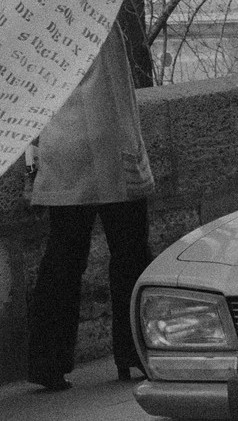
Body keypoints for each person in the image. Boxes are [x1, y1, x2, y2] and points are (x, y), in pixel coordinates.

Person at [24, 23, 157, 391]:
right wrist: (136, 154)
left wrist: (32, 159)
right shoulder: (104, 15)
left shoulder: (43, 20)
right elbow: (118, 91)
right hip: (108, 144)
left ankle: (46, 361)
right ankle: (133, 351)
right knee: (130, 252)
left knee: (63, 258)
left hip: (62, 145)